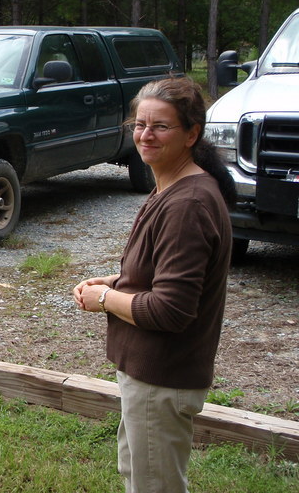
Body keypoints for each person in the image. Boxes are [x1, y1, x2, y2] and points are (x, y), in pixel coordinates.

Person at [72, 76, 235, 493]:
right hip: (152, 376)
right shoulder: (172, 184)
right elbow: (165, 272)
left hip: (163, 378)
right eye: (140, 124)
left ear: (191, 134)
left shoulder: (189, 203)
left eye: (161, 126)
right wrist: (117, 279)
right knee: (141, 476)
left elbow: (171, 310)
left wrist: (106, 298)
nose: (146, 135)